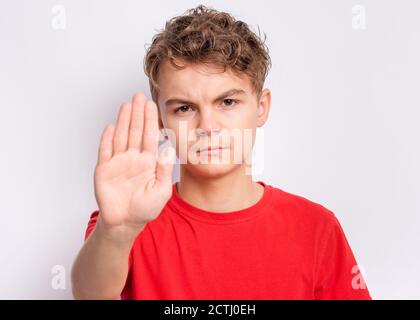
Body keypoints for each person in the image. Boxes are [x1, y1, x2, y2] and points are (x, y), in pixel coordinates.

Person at [71, 5, 372, 300]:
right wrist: (117, 232)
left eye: (227, 102)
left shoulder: (316, 228)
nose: (208, 126)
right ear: (162, 121)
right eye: (185, 108)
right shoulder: (126, 219)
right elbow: (89, 295)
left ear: (261, 107)